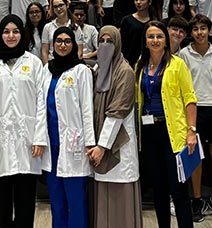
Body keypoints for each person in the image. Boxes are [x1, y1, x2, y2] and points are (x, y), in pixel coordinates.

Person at [0, 14, 47, 228]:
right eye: (6, 31)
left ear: (22, 34)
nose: (11, 35)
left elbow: (41, 103)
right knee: (0, 202)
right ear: (0, 34)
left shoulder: (33, 63)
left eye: (15, 31)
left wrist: (39, 138)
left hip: (28, 142)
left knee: (25, 201)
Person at [137, 20, 197, 228]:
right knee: (159, 189)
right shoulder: (140, 66)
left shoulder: (178, 64)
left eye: (159, 36)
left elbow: (189, 99)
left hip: (173, 133)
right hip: (148, 132)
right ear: (145, 41)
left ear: (166, 40)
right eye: (151, 37)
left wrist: (191, 131)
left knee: (178, 190)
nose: (155, 40)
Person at [42, 28, 96, 228]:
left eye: (67, 41)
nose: (62, 45)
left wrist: (90, 143)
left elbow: (87, 109)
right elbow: (41, 106)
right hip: (51, 144)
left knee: (76, 201)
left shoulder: (81, 70)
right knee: (56, 200)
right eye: (58, 41)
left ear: (73, 45)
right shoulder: (46, 69)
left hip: (75, 143)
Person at [179, 14, 212, 222]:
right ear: (191, 33)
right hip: (194, 109)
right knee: (196, 155)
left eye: (203, 28)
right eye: (196, 29)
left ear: (209, 30)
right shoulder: (184, 54)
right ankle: (197, 199)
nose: (200, 32)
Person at [89, 25, 141, 228]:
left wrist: (102, 146)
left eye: (110, 42)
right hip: (98, 145)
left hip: (118, 146)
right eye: (101, 41)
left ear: (118, 43)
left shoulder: (125, 72)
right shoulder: (98, 70)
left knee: (121, 203)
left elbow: (117, 113)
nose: (105, 45)